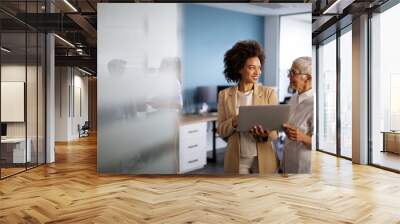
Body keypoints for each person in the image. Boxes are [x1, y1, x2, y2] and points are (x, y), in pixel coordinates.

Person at [217, 40, 279, 174]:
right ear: (239, 68)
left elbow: (275, 133)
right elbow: (221, 130)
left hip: (263, 156)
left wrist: (265, 134)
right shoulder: (224, 95)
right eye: (252, 67)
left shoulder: (269, 93)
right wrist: (233, 122)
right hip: (237, 158)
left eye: (259, 67)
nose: (257, 72)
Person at [282, 56, 313, 174]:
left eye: (292, 72)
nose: (288, 76)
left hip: (304, 166)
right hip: (288, 162)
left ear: (307, 77)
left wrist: (302, 137)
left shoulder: (315, 104)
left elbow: (325, 145)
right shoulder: (293, 99)